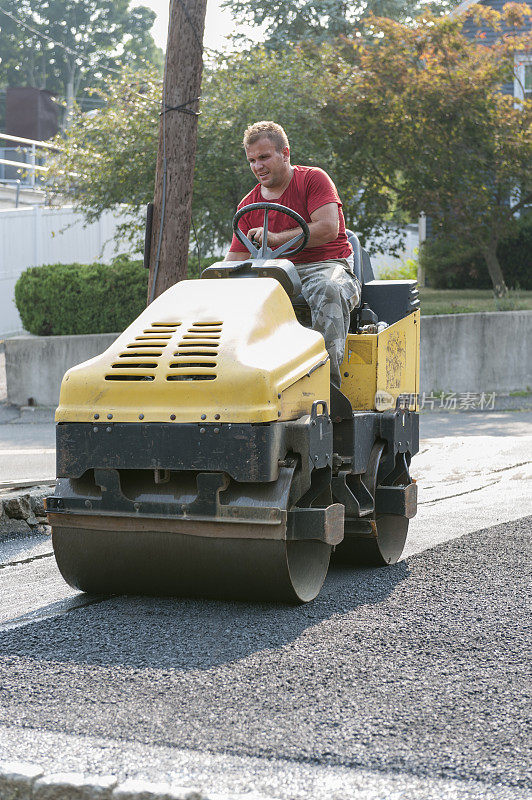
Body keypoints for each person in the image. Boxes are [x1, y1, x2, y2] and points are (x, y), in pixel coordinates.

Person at [226, 120, 360, 389]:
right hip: (275, 275)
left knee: (328, 288)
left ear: (285, 153)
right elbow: (236, 258)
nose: (257, 166)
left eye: (264, 157)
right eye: (251, 160)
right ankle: (244, 385)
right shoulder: (248, 204)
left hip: (325, 265)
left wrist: (276, 238)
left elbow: (327, 228)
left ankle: (326, 389)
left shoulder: (313, 179)